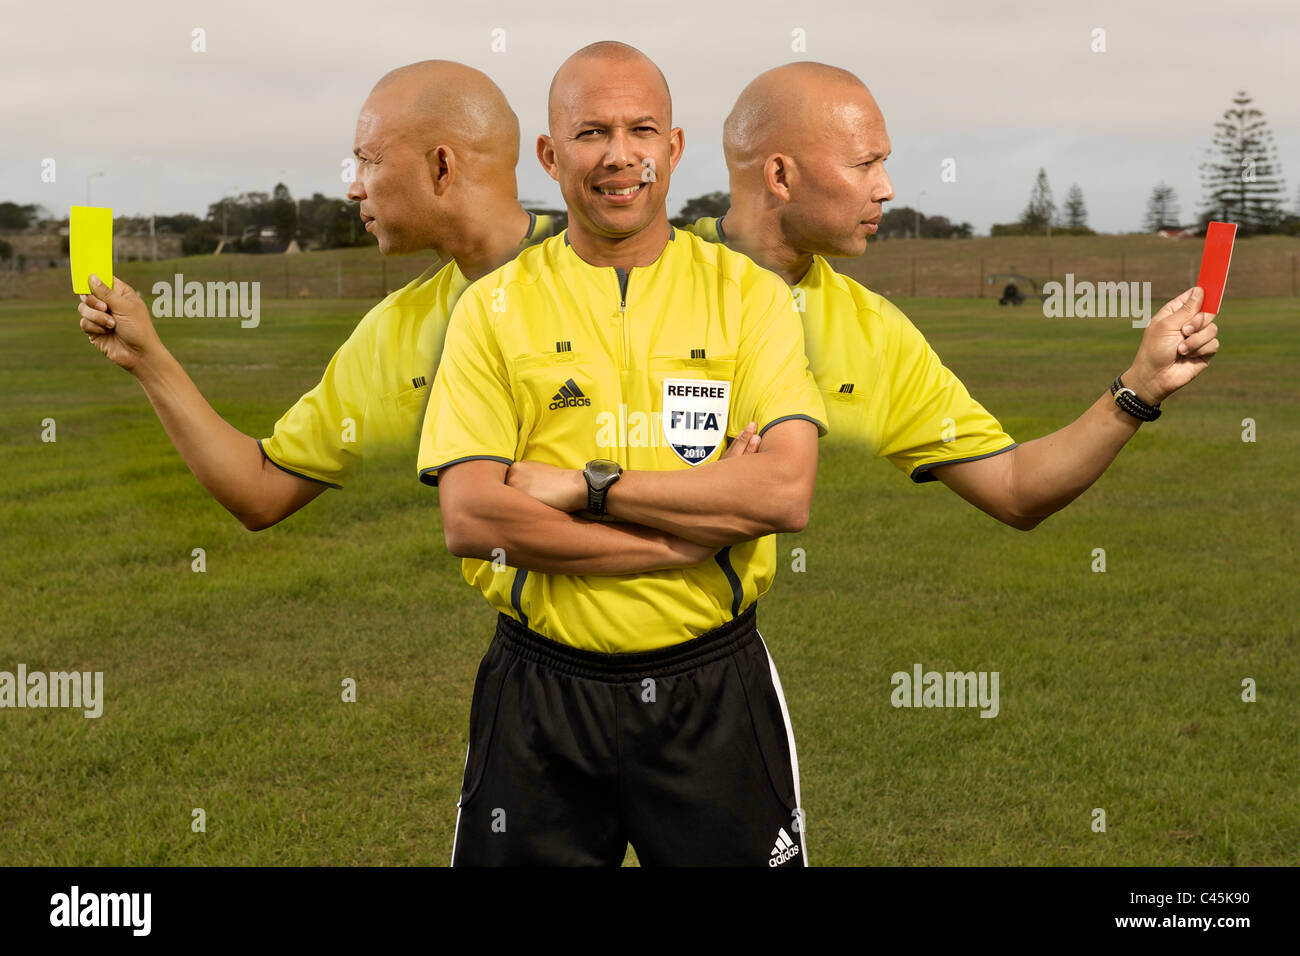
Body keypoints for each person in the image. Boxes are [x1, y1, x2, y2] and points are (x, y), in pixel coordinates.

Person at [416, 41, 827, 866]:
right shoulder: (493, 309)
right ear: (550, 154)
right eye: (591, 131)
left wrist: (584, 488)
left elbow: (783, 492)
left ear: (673, 150)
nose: (618, 156)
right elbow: (471, 516)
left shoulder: (750, 299)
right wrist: (682, 536)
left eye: (642, 130)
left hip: (713, 687)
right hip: (540, 695)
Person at [686, 62, 1219, 527]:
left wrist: (1139, 388)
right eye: (864, 163)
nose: (887, 187)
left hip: (731, 642)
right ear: (780, 176)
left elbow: (1015, 488)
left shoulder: (874, 329)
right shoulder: (642, 276)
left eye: (884, 162)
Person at [74, 61, 556, 528]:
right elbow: (262, 489)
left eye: (368, 161)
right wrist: (147, 359)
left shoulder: (613, 266)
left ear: (442, 167)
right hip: (514, 615)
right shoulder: (392, 330)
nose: (353, 188)